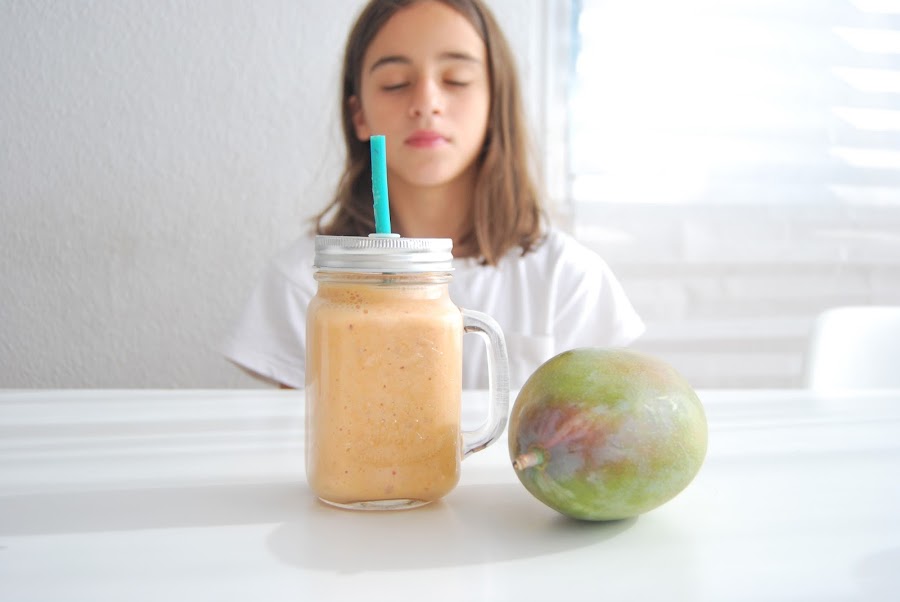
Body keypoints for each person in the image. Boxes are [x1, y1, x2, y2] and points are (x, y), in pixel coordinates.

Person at [222, 0, 644, 389]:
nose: (427, 103)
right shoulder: (306, 285)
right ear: (359, 115)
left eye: (456, 79)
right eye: (395, 83)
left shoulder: (568, 281)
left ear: (494, 101)